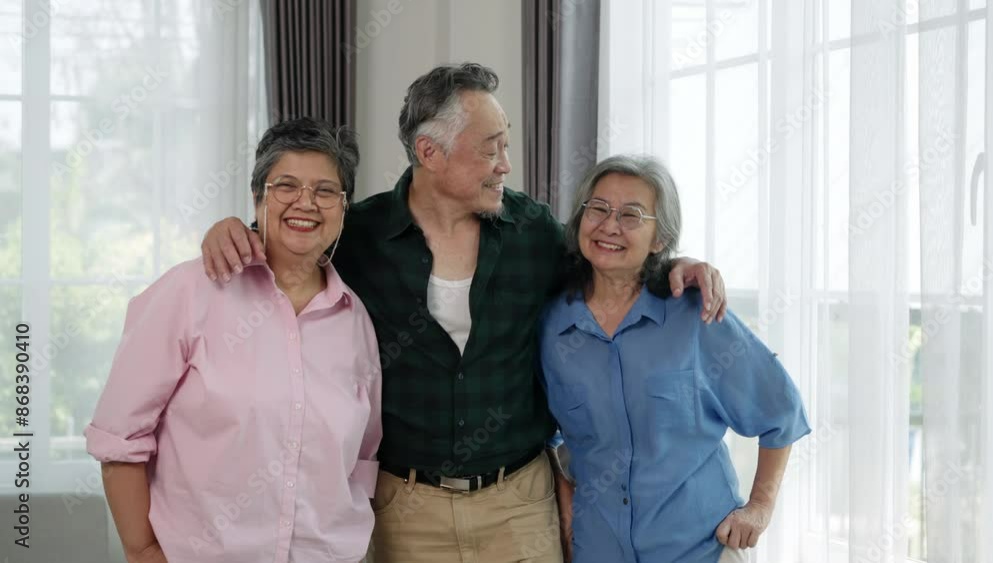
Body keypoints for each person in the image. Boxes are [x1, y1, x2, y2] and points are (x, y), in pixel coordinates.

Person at [200, 63, 727, 562]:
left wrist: (670, 266)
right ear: (429, 152)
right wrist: (236, 229)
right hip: (404, 510)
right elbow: (289, 241)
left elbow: (608, 270)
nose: (506, 164)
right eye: (491, 148)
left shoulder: (533, 233)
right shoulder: (358, 236)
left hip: (519, 505)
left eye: (506, 145)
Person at [85, 118, 382, 563]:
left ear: (343, 208)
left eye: (325, 191)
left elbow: (361, 460)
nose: (306, 202)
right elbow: (119, 437)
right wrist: (143, 550)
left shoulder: (355, 319)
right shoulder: (190, 292)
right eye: (286, 186)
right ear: (258, 196)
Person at [539, 154, 811, 563]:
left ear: (660, 239)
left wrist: (759, 508)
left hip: (699, 549)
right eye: (598, 208)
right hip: (597, 549)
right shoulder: (552, 327)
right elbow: (542, 431)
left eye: (631, 215)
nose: (610, 225)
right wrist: (563, 505)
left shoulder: (698, 315)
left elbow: (781, 411)